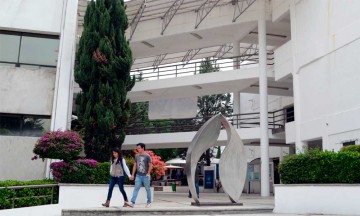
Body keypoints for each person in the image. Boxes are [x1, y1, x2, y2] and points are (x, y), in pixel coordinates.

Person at [128, 143, 153, 208]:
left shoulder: (147, 156)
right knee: (136, 189)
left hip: (145, 176)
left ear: (143, 148)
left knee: (147, 189)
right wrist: (133, 175)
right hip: (138, 175)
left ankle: (149, 202)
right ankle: (132, 203)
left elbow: (150, 165)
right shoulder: (137, 156)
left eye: (139, 148)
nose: (137, 149)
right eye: (137, 148)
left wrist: (148, 173)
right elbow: (135, 165)